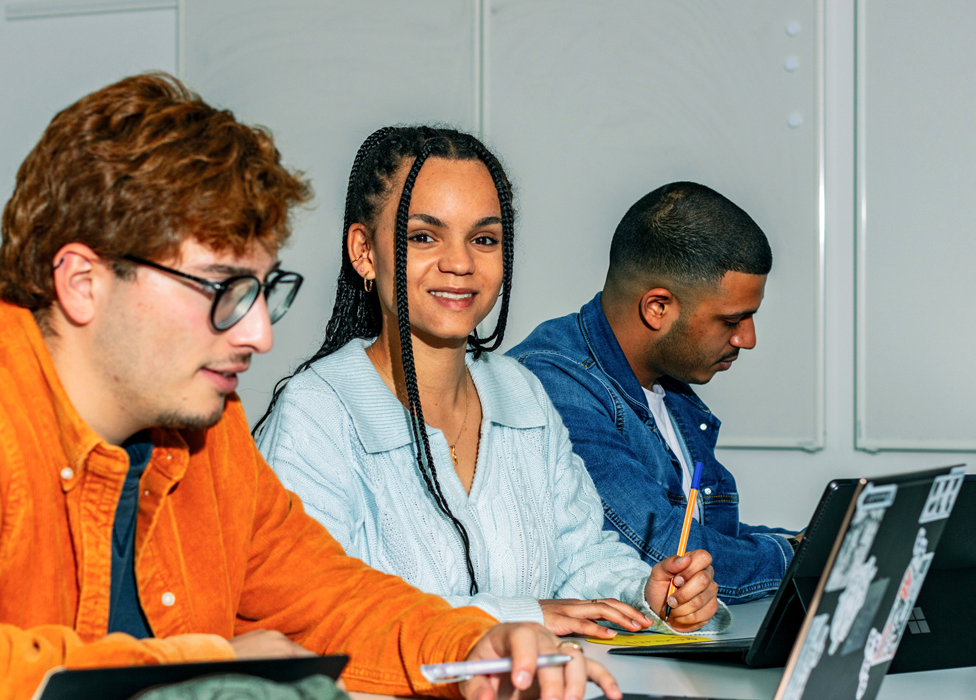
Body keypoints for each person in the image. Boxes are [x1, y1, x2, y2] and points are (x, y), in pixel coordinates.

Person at [0, 74, 617, 700]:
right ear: (83, 281)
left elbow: (331, 596)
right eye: (221, 289)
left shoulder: (203, 430)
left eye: (263, 291)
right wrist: (206, 668)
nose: (259, 334)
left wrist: (476, 646)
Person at [253, 127, 726, 641]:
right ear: (364, 251)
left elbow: (582, 556)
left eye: (483, 240)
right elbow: (309, 609)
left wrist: (645, 593)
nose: (460, 264)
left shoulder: (521, 393)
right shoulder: (315, 414)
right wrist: (516, 615)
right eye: (423, 236)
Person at [508, 182, 794, 604]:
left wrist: (806, 542)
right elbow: (665, 551)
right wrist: (796, 556)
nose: (747, 339)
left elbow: (708, 536)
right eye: (733, 320)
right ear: (657, 307)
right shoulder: (554, 385)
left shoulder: (668, 388)